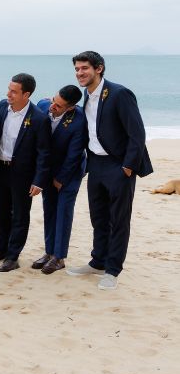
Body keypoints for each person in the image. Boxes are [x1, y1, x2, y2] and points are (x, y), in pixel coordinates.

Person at [70, 50, 154, 289]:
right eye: (77, 69)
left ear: (99, 68)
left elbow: (136, 134)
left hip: (119, 165)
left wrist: (127, 167)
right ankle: (98, 261)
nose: (80, 73)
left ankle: (113, 269)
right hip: (95, 163)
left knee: (119, 219)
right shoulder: (87, 95)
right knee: (98, 216)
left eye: (84, 68)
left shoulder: (119, 94)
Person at [0, 73, 49, 272]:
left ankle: (13, 256)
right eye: (9, 89)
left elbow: (43, 153)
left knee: (20, 214)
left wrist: (39, 181)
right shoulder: (3, 106)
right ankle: (1, 249)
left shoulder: (38, 118)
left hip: (22, 173)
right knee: (2, 211)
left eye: (14, 91)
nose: (8, 94)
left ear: (26, 94)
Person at [36, 86, 87, 275]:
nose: (52, 107)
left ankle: (59, 257)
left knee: (63, 212)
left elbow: (74, 154)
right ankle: (49, 252)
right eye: (53, 101)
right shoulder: (42, 105)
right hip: (47, 170)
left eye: (58, 106)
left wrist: (61, 179)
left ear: (70, 108)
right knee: (49, 210)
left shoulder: (79, 120)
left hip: (70, 172)